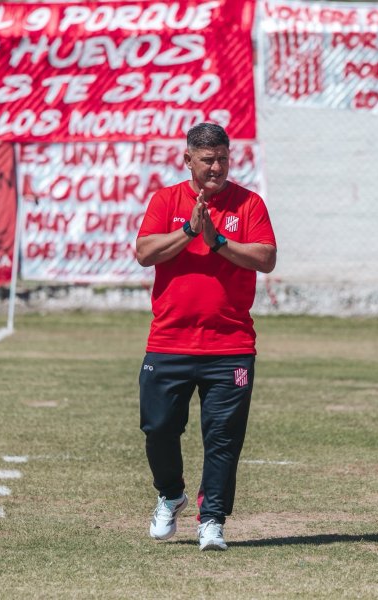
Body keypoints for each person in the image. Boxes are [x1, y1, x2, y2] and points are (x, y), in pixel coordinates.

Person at [135, 122, 277, 551]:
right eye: (207, 160)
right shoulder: (166, 200)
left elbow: (266, 258)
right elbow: (144, 253)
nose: (216, 167)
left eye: (223, 159)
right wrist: (189, 232)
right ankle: (170, 494)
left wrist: (217, 242)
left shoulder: (249, 204)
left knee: (223, 439)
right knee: (158, 428)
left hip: (230, 348)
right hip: (169, 343)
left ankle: (212, 519)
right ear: (188, 160)